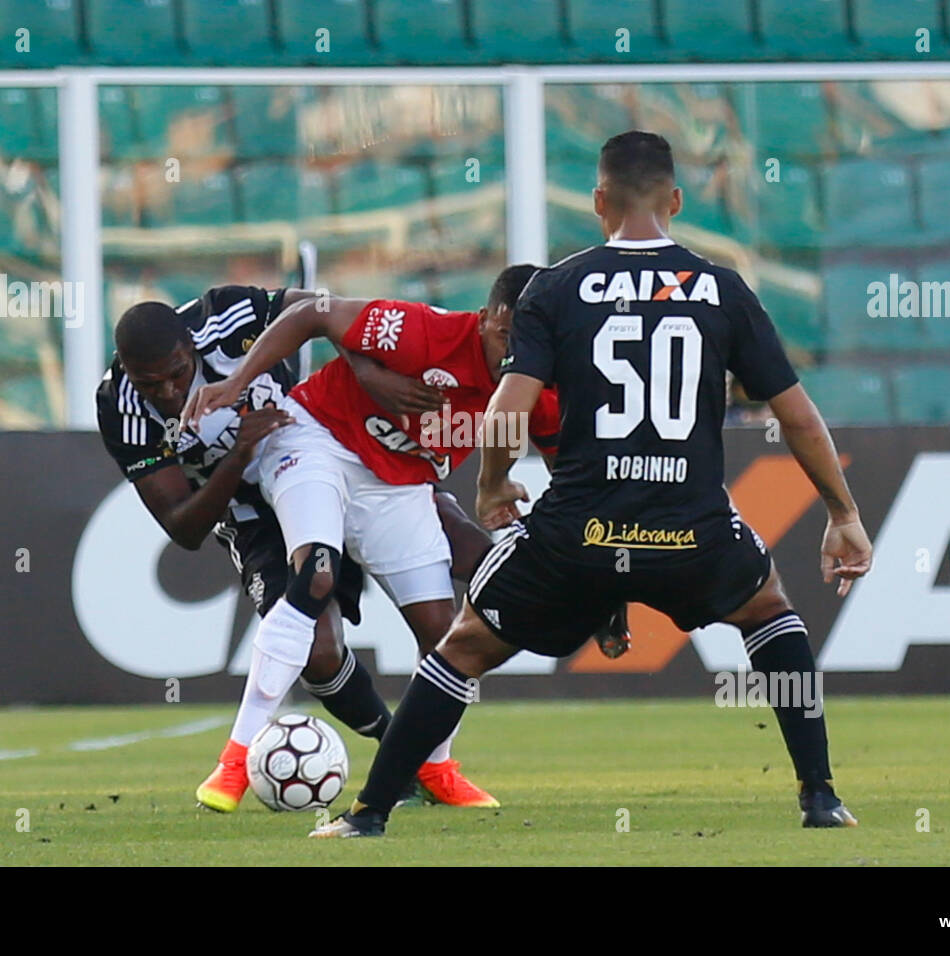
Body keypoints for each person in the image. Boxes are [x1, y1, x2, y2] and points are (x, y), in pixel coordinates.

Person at [311, 130, 873, 838]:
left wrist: (491, 485)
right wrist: (842, 513)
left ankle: (368, 815)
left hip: (577, 530)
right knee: (767, 611)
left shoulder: (556, 286)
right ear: (674, 199)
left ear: (599, 201)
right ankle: (820, 797)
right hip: (689, 525)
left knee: (464, 647)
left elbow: (508, 408)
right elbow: (798, 417)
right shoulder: (722, 289)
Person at [181, 266, 615, 810]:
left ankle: (436, 770)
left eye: (532, 339)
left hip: (401, 485)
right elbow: (314, 312)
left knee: (445, 631)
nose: (516, 352)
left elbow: (568, 471)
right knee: (315, 573)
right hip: (319, 440)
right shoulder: (423, 331)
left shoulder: (538, 390)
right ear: (486, 319)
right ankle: (234, 762)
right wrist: (237, 383)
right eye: (508, 336)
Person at [96, 284, 535, 812]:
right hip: (253, 500)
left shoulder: (227, 315)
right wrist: (238, 454)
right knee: (319, 644)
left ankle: (433, 764)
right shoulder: (118, 406)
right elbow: (183, 527)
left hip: (349, 447)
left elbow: (320, 311)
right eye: (151, 384)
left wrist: (366, 370)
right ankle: (370, 754)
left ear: (191, 345)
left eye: (177, 373)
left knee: (455, 591)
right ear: (126, 369)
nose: (168, 392)